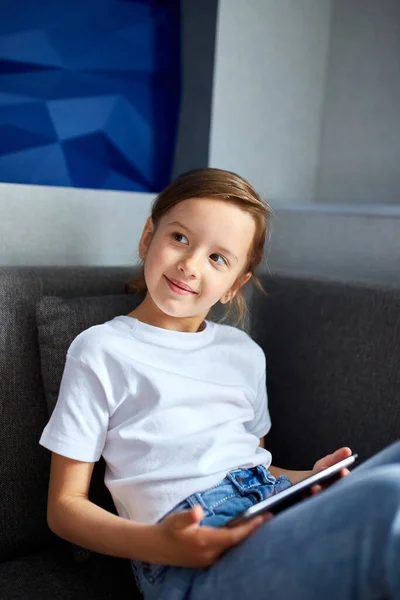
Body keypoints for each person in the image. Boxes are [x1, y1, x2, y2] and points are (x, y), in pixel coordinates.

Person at [39, 168, 400, 600]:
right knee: (385, 497)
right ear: (147, 237)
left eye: (218, 258)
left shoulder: (244, 353)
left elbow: (255, 465)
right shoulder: (101, 349)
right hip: (184, 552)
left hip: (270, 504)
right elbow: (63, 508)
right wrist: (159, 544)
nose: (190, 265)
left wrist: (311, 478)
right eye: (180, 238)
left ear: (235, 285)